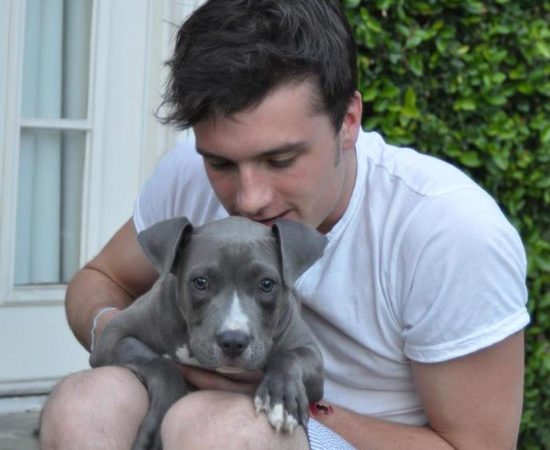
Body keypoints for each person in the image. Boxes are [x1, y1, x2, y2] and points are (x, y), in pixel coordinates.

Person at [39, 0, 529, 448]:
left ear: (349, 120)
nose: (248, 198)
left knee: (221, 431)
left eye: (281, 159)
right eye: (222, 164)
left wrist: (294, 401)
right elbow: (100, 280)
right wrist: (129, 346)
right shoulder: (191, 173)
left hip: (335, 433)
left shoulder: (447, 230)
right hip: (187, 405)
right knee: (82, 404)